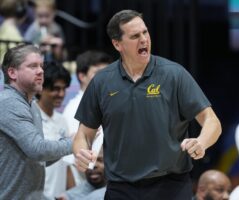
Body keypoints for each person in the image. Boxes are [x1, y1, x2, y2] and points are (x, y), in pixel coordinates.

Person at [73, 9, 222, 200]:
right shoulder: (102, 81)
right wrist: (81, 152)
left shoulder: (174, 74)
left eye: (145, 32)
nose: (144, 39)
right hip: (121, 188)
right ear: (117, 44)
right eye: (135, 36)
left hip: (171, 186)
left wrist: (201, 142)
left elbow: (212, 122)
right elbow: (84, 133)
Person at [0, 44, 72, 199]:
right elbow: (37, 149)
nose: (41, 71)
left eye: (41, 66)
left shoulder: (32, 105)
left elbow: (37, 160)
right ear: (12, 72)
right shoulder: (8, 102)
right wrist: (72, 143)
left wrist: (72, 145)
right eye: (33, 66)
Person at [62, 50, 112, 186]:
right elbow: (70, 162)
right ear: (82, 76)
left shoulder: (106, 102)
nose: (105, 78)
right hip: (84, 188)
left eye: (108, 73)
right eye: (98, 73)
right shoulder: (74, 109)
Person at [36, 61, 72, 199]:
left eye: (64, 88)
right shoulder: (30, 118)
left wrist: (70, 194)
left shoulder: (62, 120)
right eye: (55, 89)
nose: (61, 94)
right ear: (41, 88)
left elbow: (66, 163)